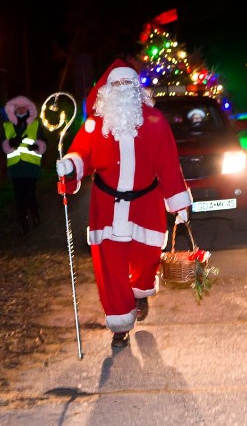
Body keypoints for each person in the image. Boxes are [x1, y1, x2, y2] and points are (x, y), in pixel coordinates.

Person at [56, 59, 192, 349]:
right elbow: (81, 154)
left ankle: (140, 293)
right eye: (116, 84)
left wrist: (178, 203)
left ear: (137, 89)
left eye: (128, 83)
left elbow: (168, 164)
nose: (123, 89)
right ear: (107, 91)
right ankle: (120, 323)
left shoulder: (155, 121)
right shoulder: (95, 125)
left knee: (145, 257)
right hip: (107, 206)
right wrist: (69, 165)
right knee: (110, 267)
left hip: (146, 203)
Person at [1, 95, 47, 234]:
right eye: (18, 108)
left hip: (30, 167)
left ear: (28, 109)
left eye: (23, 108)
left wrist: (37, 146)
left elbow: (43, 142)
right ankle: (23, 221)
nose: (20, 110)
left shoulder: (35, 124)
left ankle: (34, 214)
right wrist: (9, 143)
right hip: (15, 168)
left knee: (29, 193)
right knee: (19, 196)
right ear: (14, 110)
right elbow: (1, 145)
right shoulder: (7, 125)